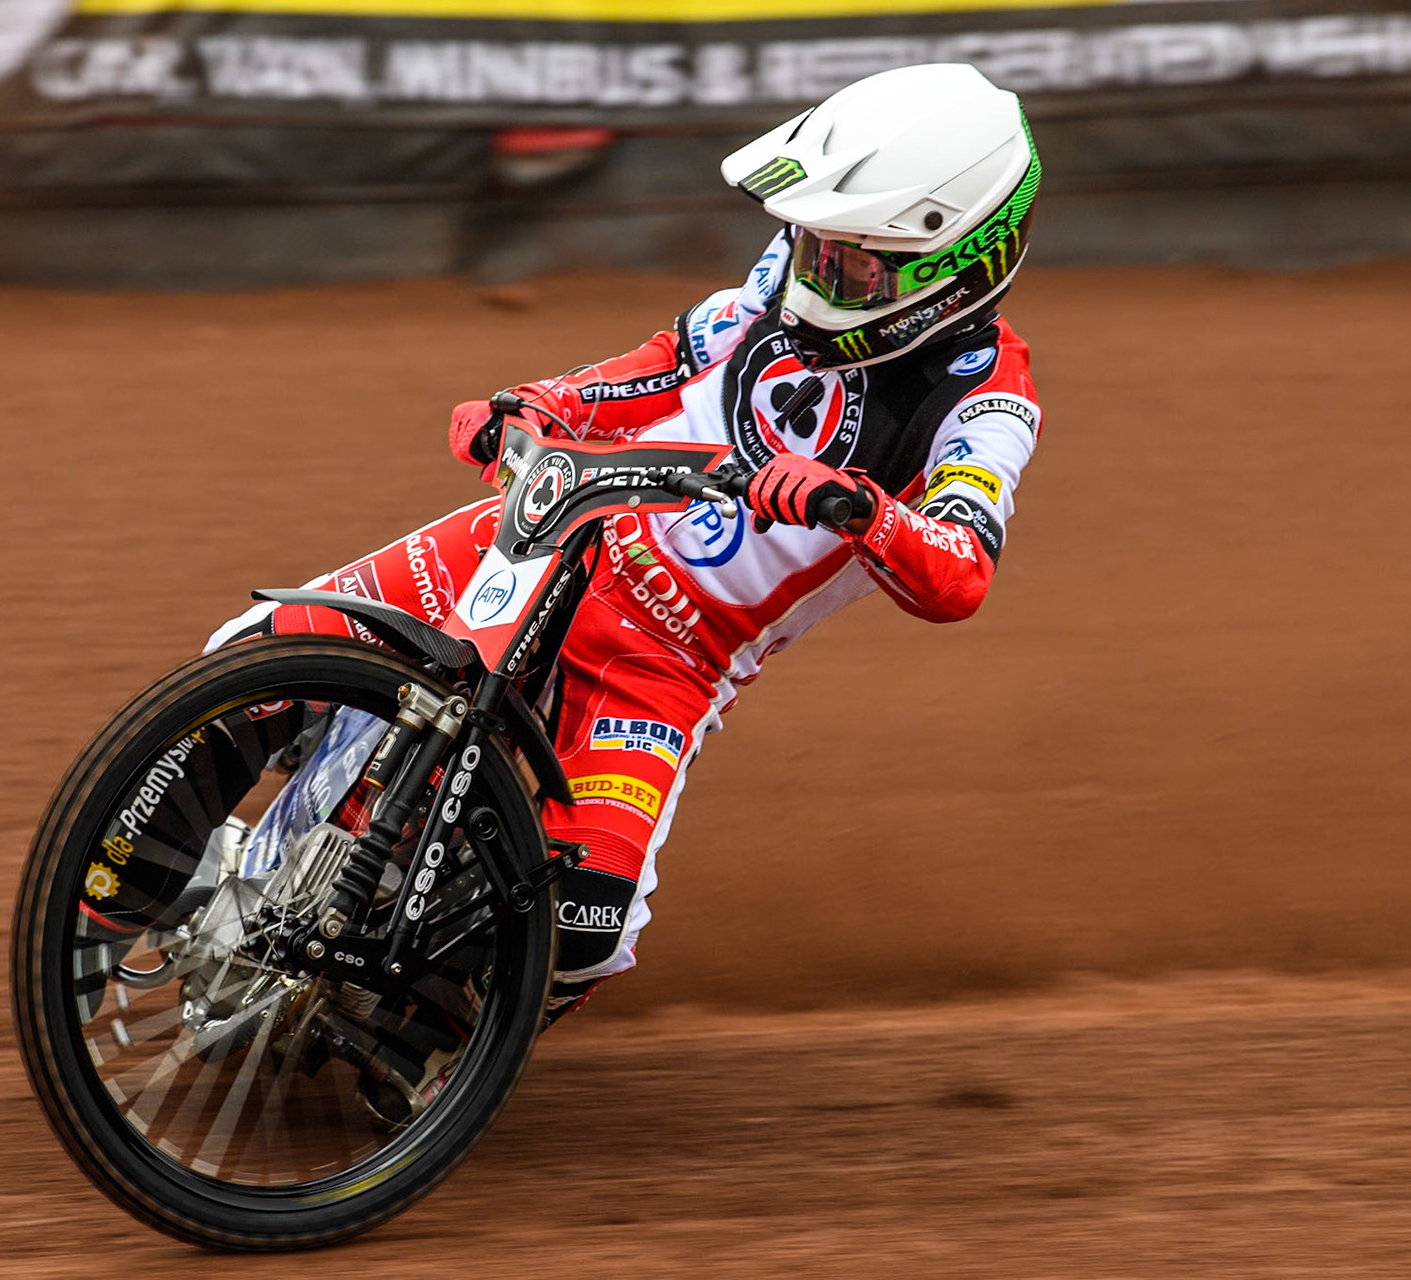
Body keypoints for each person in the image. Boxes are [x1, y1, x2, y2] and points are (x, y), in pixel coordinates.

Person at [211, 62, 1042, 1022]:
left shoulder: (988, 401)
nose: (812, 274)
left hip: (661, 667)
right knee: (253, 658)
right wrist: (544, 403)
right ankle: (104, 921)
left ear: (955, 263)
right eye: (808, 244)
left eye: (849, 260)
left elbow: (961, 569)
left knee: (585, 931)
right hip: (553, 536)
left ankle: (425, 1053)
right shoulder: (789, 276)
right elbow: (670, 358)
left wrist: (856, 507)